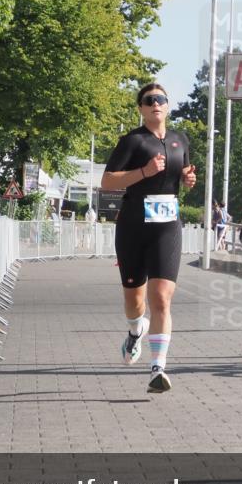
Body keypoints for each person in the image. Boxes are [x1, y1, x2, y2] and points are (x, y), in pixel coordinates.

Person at [101, 83, 197, 393]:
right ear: (141, 108)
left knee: (162, 298)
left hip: (167, 227)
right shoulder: (133, 141)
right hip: (133, 226)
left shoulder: (180, 140)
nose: (156, 103)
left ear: (167, 106)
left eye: (161, 99)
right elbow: (107, 181)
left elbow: (184, 174)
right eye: (149, 100)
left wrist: (188, 179)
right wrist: (143, 171)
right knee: (135, 301)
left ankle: (158, 368)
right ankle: (135, 331)